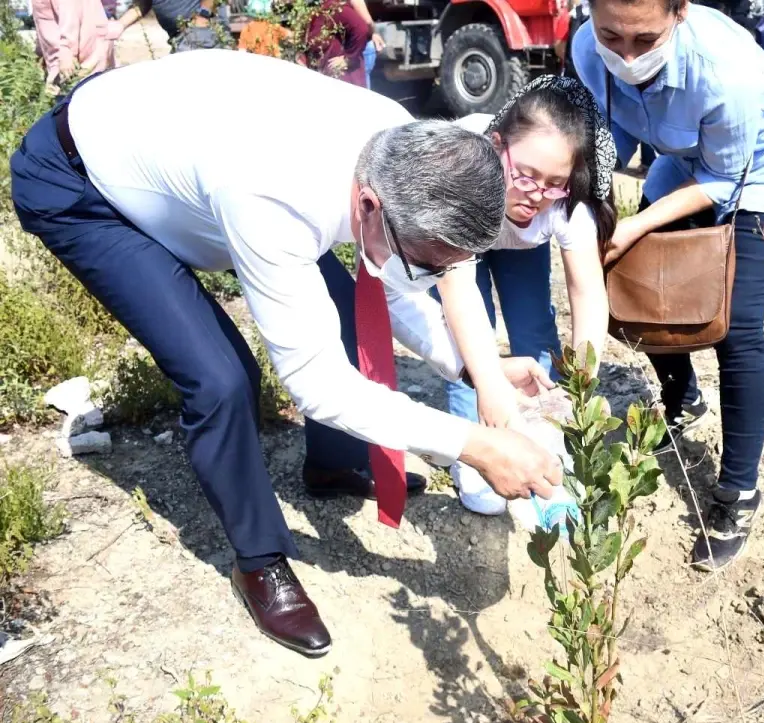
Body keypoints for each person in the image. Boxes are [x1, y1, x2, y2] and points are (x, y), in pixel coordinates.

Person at [8, 49, 563, 658]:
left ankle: (331, 466)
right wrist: (473, 443)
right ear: (372, 206)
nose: (437, 275)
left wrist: (463, 363)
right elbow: (315, 381)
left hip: (171, 149)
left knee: (351, 310)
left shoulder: (392, 149)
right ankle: (261, 559)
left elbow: (394, 285)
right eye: (433, 261)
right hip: (83, 185)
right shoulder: (276, 195)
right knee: (221, 380)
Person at [573, 0, 764, 571]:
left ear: (680, 13)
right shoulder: (586, 49)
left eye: (644, 41)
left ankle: (738, 494)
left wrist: (638, 221)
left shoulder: (723, 69)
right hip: (690, 160)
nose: (625, 54)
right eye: (611, 34)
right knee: (643, 280)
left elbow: (725, 176)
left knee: (736, 325)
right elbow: (606, 136)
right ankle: (682, 398)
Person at [435, 76, 615, 516]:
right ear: (497, 145)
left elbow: (588, 293)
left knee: (535, 333)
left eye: (554, 182)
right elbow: (463, 312)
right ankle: (477, 457)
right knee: (472, 348)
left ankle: (544, 446)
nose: (537, 194)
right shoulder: (461, 177)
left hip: (521, 246)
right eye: (527, 176)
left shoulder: (566, 204)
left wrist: (583, 375)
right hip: (468, 235)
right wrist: (489, 381)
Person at [30, 0, 119, 93]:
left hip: (81, 59)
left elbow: (69, 13)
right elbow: (45, 18)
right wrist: (40, 51)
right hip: (61, 59)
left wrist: (66, 50)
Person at [107, 0, 222, 51]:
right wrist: (120, 24)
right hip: (178, 37)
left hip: (199, 31)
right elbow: (143, 4)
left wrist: (202, 15)